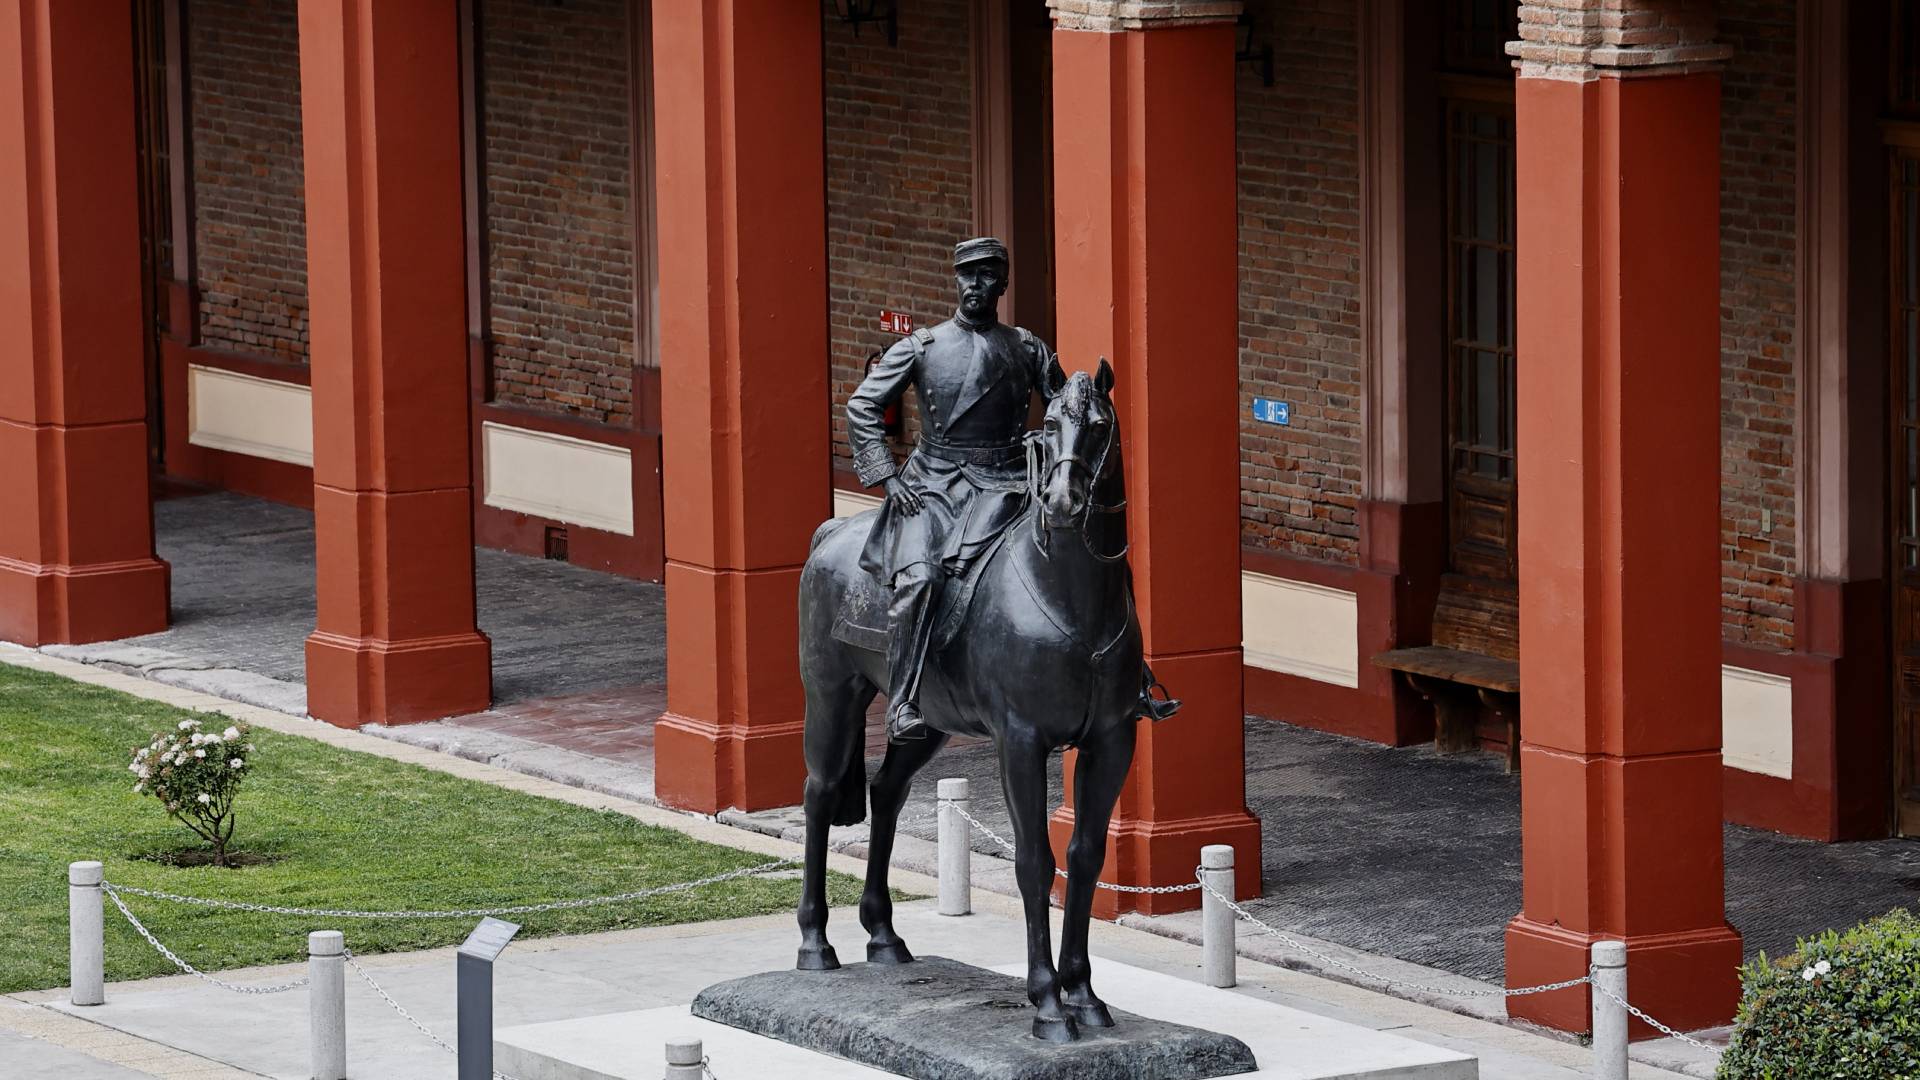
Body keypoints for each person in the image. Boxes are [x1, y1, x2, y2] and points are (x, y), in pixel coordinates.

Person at [848, 237, 1059, 743]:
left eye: (986, 277)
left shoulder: (1027, 347)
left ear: (1002, 285)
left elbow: (1062, 405)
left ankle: (1129, 677)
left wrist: (1046, 442)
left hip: (1009, 483)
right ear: (955, 281)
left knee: (1084, 549)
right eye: (967, 276)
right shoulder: (923, 347)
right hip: (934, 488)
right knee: (920, 581)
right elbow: (862, 406)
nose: (975, 286)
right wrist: (889, 477)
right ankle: (903, 699)